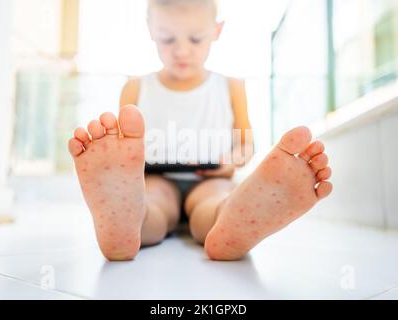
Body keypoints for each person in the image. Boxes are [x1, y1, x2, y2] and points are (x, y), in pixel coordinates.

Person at [68, 0, 333, 261]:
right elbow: (126, 147)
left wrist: (230, 162)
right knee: (153, 204)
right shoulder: (135, 87)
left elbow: (245, 143)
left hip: (210, 178)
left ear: (216, 31)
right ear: (150, 30)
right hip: (155, 178)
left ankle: (234, 221)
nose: (182, 50)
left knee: (214, 201)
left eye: (195, 39)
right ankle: (126, 224)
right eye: (167, 39)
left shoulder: (232, 87)